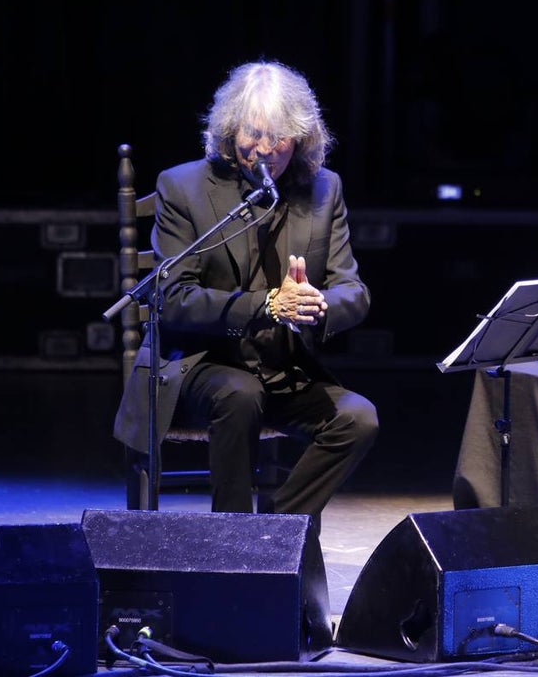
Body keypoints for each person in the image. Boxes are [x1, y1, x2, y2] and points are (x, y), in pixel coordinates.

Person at [114, 60, 379, 533]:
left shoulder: (324, 189)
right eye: (252, 135)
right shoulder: (184, 187)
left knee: (359, 418)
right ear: (230, 130)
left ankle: (272, 532)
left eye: (277, 138)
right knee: (240, 394)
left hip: (284, 370)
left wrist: (318, 304)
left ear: (301, 138)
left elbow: (353, 291)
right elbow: (172, 298)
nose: (262, 151)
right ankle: (231, 542)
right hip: (199, 366)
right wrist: (266, 305)